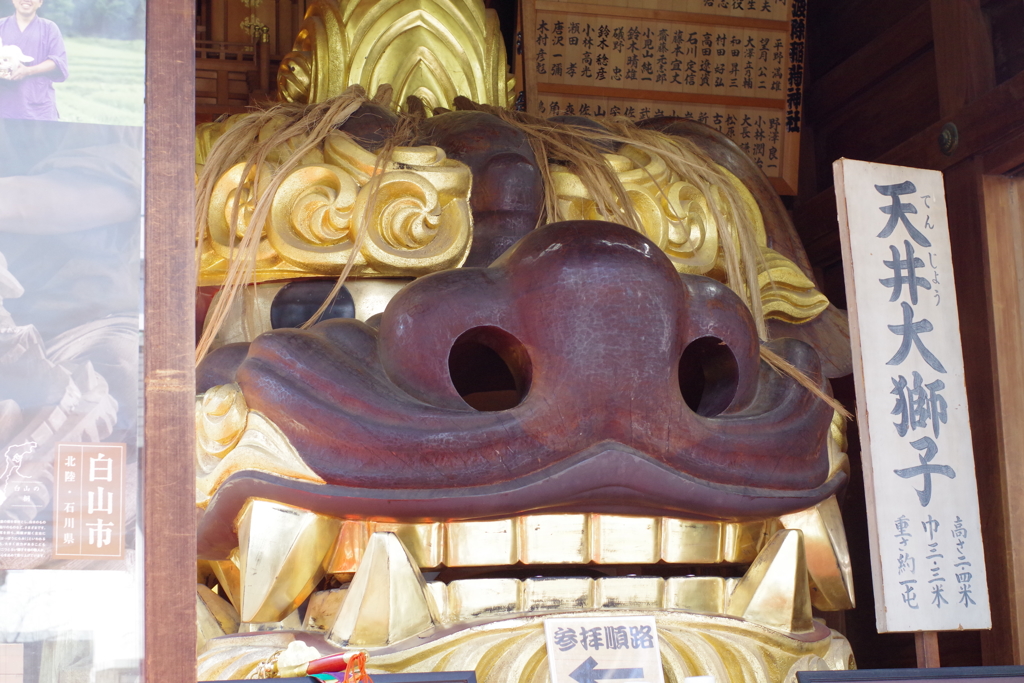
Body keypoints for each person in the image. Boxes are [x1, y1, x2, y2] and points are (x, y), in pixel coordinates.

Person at [0, 0, 67, 120]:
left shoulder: (49, 28)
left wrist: (28, 70)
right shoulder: (1, 25)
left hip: (39, 105)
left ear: (40, 2)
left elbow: (58, 60)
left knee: (42, 138)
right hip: (4, 104)